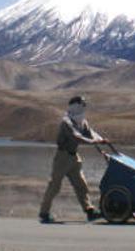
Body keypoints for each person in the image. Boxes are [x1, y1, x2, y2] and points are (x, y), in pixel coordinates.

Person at [38, 95, 107, 223]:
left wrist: (101, 141)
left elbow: (90, 133)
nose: (84, 107)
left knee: (81, 184)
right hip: (62, 157)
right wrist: (93, 141)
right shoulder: (67, 122)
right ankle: (44, 212)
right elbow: (77, 137)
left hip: (74, 156)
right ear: (75, 106)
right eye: (82, 104)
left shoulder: (82, 121)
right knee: (54, 186)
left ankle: (89, 211)